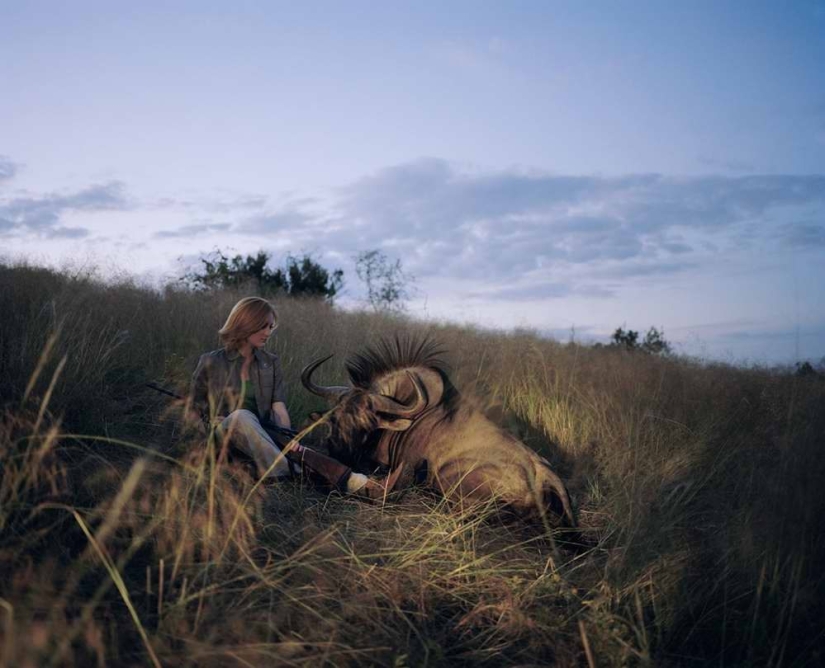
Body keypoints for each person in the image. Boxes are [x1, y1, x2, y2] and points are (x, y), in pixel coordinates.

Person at [188, 296, 391, 496]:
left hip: (262, 435)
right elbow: (191, 412)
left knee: (300, 450)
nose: (268, 333)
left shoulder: (270, 362)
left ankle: (357, 483)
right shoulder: (211, 361)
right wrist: (206, 424)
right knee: (241, 416)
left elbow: (278, 408)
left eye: (270, 327)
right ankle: (292, 474)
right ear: (246, 324)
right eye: (263, 326)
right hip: (221, 439)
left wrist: (288, 437)